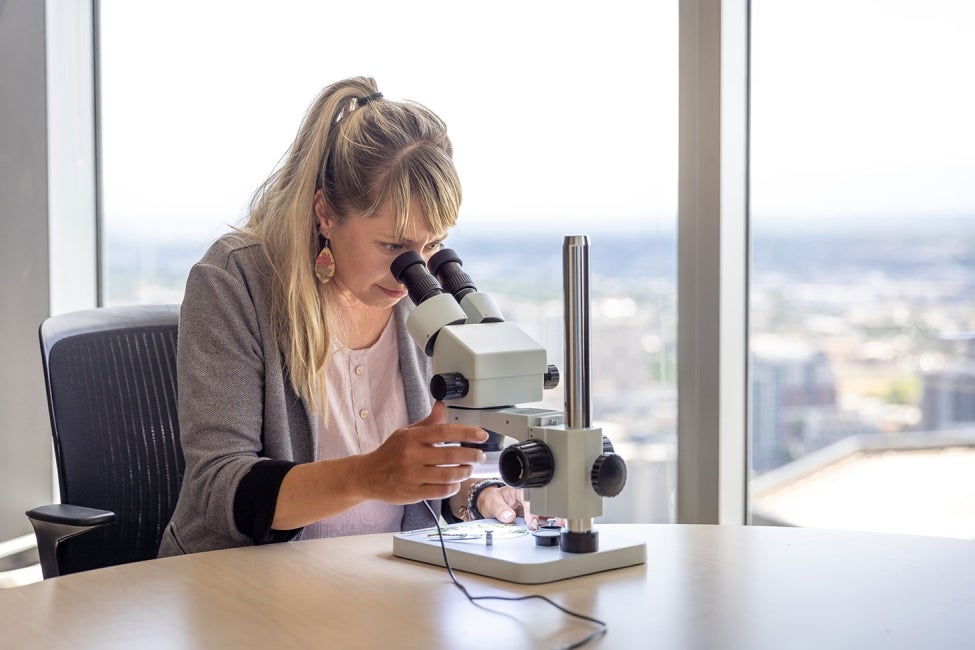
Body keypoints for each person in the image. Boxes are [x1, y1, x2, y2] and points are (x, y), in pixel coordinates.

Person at [158, 76, 537, 557]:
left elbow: (429, 471)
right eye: (392, 246)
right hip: (245, 587)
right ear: (325, 213)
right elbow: (220, 488)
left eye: (432, 246)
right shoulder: (236, 281)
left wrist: (477, 493)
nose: (411, 274)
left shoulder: (423, 309)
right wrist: (369, 474)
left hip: (383, 581)